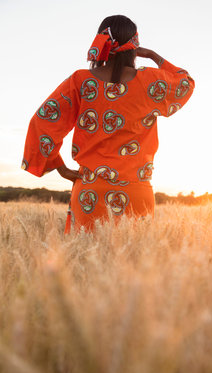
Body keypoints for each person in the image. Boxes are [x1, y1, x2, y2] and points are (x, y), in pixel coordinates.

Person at [22, 15, 195, 233]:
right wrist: (152, 55)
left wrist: (58, 165)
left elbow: (42, 122)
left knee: (84, 262)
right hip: (136, 191)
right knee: (135, 262)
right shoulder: (151, 81)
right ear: (135, 45)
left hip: (89, 190)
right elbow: (185, 82)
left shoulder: (80, 81)